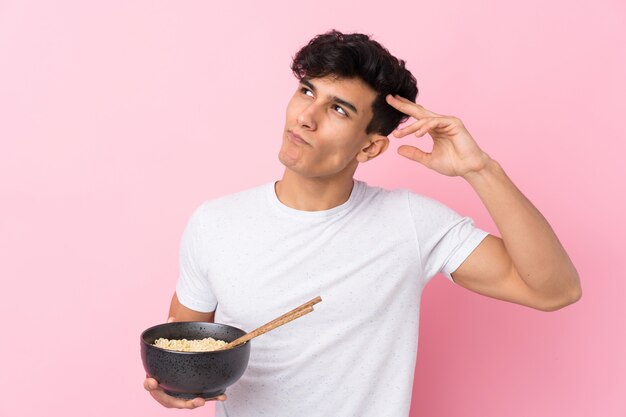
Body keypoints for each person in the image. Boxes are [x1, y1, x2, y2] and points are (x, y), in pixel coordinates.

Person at [144, 30, 581, 416]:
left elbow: (555, 290)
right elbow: (183, 344)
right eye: (306, 91)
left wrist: (480, 169)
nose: (305, 117)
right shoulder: (215, 222)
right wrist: (173, 388)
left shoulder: (410, 222)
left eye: (338, 109)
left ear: (371, 148)